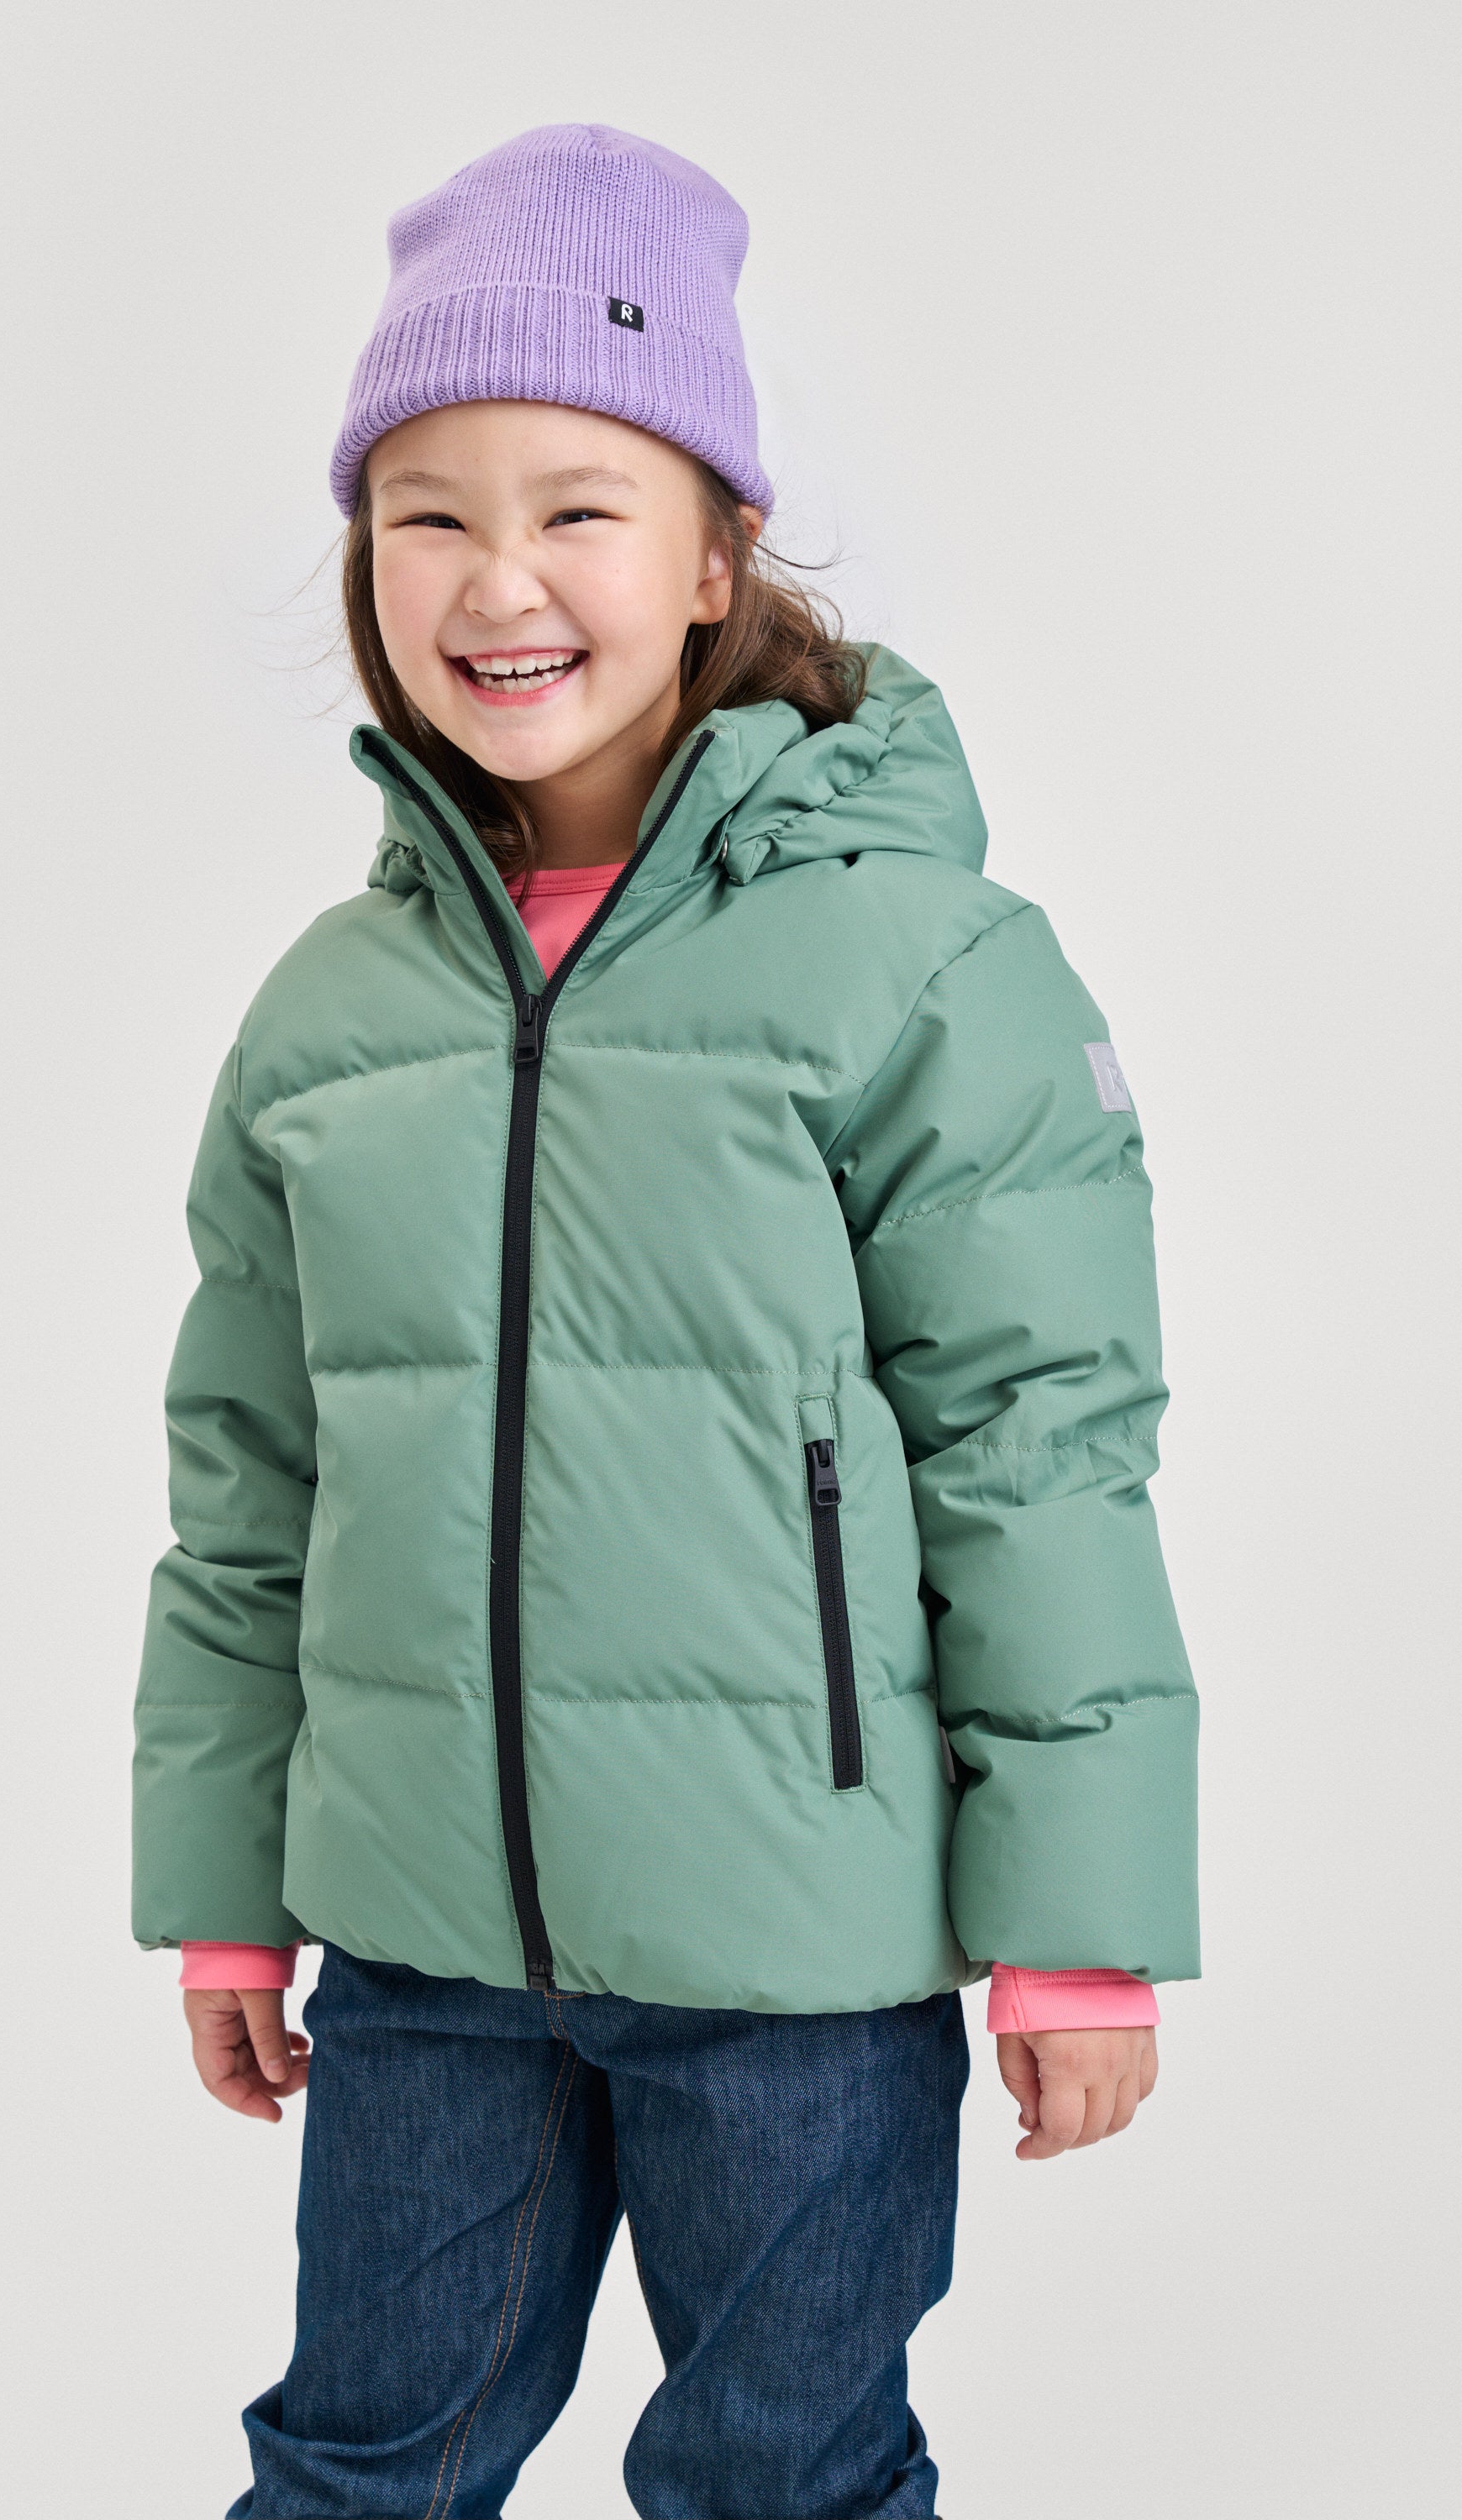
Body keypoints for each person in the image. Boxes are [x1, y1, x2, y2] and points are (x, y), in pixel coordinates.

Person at [132, 122, 1198, 2520]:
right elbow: (248, 1484)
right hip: (420, 1951)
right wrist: (220, 1888)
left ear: (717, 555)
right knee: (359, 2468)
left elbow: (1041, 1450)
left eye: (578, 507)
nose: (498, 578)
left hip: (798, 1959)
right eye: (427, 514)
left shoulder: (917, 962)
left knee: (784, 2479)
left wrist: (1078, 1931)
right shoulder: (328, 1017)